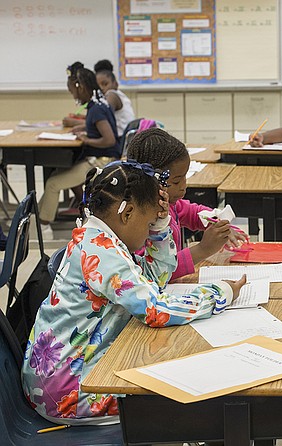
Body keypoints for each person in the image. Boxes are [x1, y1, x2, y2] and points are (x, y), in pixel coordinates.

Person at [22, 161, 246, 424]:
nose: (150, 230)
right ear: (127, 214)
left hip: (60, 376)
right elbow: (157, 310)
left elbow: (155, 278)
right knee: (191, 395)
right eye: (149, 222)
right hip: (69, 393)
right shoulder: (102, 252)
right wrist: (221, 293)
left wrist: (162, 225)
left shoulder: (96, 237)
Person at [126, 127, 248, 281]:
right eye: (176, 181)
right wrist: (203, 249)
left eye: (185, 177)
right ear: (150, 181)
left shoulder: (169, 204)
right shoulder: (139, 222)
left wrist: (219, 224)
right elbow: (154, 273)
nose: (184, 186)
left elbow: (192, 212)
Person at [39, 68, 122, 238]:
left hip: (102, 161)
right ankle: (38, 217)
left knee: (53, 183)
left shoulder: (96, 109)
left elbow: (109, 140)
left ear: (81, 88)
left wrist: (87, 140)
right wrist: (85, 127)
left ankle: (43, 228)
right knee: (56, 174)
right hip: (100, 157)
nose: (73, 96)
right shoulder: (98, 102)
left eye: (72, 91)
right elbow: (99, 125)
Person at [94, 59, 136, 137]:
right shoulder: (117, 95)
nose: (101, 88)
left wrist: (76, 123)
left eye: (105, 84)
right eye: (98, 86)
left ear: (115, 84)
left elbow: (103, 118)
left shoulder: (112, 95)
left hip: (120, 140)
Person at [62, 61, 86, 128]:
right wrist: (83, 117)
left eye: (72, 92)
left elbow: (101, 125)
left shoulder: (98, 103)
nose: (74, 97)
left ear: (80, 87)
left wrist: (75, 122)